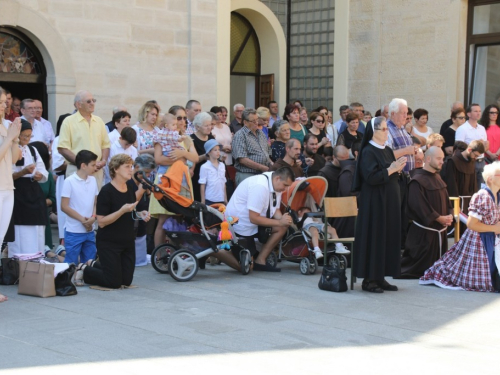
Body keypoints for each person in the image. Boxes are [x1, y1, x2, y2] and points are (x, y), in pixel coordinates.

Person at [420, 162, 500, 292]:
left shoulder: (497, 196)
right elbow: (472, 224)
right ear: (490, 179)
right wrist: (494, 228)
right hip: (480, 241)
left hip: (493, 240)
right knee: (484, 279)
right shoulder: (482, 196)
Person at [77, 154, 150, 288]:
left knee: (126, 281)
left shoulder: (129, 189)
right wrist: (121, 210)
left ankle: (94, 264)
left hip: (127, 241)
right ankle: (83, 269)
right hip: (109, 242)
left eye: (131, 166)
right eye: (127, 166)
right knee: (113, 282)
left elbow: (130, 211)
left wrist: (140, 213)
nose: (131, 170)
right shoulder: (106, 191)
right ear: (116, 169)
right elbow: (102, 221)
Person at [352, 117, 407, 293]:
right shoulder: (368, 151)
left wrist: (398, 169)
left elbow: (392, 173)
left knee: (387, 237)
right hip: (374, 202)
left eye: (386, 129)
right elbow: (371, 177)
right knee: (375, 237)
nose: (387, 132)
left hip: (389, 201)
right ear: (374, 131)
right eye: (383, 129)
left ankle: (381, 276)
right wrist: (392, 169)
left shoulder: (388, 150)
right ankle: (369, 280)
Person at [225, 167, 295, 272]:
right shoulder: (260, 186)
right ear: (277, 178)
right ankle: (215, 251)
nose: (285, 189)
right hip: (240, 225)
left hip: (253, 223)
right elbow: (253, 218)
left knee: (282, 227)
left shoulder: (275, 182)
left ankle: (260, 260)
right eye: (285, 185)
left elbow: (275, 210)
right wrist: (280, 222)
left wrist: (285, 221)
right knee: (246, 267)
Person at [400, 147, 453, 279]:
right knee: (416, 269)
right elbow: (418, 206)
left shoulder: (438, 177)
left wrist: (449, 215)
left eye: (443, 158)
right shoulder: (417, 181)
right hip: (424, 234)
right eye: (439, 158)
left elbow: (447, 201)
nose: (442, 161)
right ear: (428, 159)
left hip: (439, 232)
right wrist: (438, 218)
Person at [150, 105, 199, 247]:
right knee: (163, 219)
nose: (182, 121)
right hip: (166, 179)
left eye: (184, 118)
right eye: (179, 118)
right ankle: (160, 255)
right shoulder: (161, 136)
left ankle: (176, 253)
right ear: (170, 120)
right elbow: (158, 159)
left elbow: (195, 158)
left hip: (182, 180)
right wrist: (180, 160)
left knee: (178, 218)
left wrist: (183, 154)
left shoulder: (186, 138)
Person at [8, 120, 49, 256]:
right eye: (23, 136)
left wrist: (38, 175)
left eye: (29, 136)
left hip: (34, 193)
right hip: (18, 193)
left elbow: (44, 173)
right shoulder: (9, 149)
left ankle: (37, 260)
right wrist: (23, 172)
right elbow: (8, 175)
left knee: (37, 232)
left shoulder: (32, 150)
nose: (26, 139)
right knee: (21, 233)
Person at [58, 90, 110, 189]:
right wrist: (82, 164)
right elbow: (63, 148)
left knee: (95, 202)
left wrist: (103, 161)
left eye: (93, 100)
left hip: (96, 172)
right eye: (88, 101)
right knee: (77, 202)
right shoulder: (68, 121)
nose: (92, 103)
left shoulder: (99, 121)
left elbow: (105, 145)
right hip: (77, 171)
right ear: (78, 104)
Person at [0, 87, 21, 302]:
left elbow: (14, 158)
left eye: (5, 102)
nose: (4, 106)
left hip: (7, 187)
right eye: (1, 102)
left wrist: (15, 139)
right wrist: (10, 137)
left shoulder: (7, 125)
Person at [61, 150, 99, 265]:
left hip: (89, 229)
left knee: (89, 260)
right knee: (71, 261)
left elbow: (95, 202)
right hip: (74, 230)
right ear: (83, 165)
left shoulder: (93, 180)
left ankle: (84, 276)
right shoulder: (69, 181)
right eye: (92, 165)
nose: (95, 167)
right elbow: (64, 206)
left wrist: (93, 217)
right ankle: (69, 279)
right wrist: (83, 220)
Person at [232, 108, 271, 185]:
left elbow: (267, 153)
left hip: (262, 174)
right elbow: (242, 159)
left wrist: (272, 165)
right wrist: (262, 167)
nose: (256, 123)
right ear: (245, 122)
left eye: (257, 120)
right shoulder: (240, 135)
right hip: (247, 174)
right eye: (253, 121)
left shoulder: (261, 133)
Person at [129, 154, 156, 267]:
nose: (147, 175)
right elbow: (130, 202)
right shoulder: (127, 181)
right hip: (130, 222)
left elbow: (150, 199)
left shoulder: (144, 180)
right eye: (145, 172)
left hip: (142, 221)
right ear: (136, 167)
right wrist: (141, 190)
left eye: (149, 173)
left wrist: (148, 192)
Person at [30, 141, 56, 252]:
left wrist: (42, 201)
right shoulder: (27, 175)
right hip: (28, 215)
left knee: (45, 251)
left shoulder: (48, 175)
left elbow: (52, 198)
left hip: (43, 215)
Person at [455, 104, 487, 187]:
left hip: (482, 161)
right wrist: (474, 145)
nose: (478, 113)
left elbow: (485, 145)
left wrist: (483, 145)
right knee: (470, 186)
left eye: (479, 111)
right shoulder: (462, 129)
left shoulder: (482, 128)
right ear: (469, 114)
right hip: (469, 161)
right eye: (475, 111)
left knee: (481, 187)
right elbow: (458, 146)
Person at [190, 112, 215, 202]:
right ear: (197, 127)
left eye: (210, 124)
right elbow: (191, 160)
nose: (209, 127)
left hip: (211, 177)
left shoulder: (211, 137)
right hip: (198, 176)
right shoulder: (191, 139)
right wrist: (204, 156)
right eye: (206, 125)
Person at [199, 139, 227, 205]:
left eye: (218, 150)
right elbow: (202, 184)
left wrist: (225, 199)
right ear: (209, 152)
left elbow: (223, 183)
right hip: (210, 199)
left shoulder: (222, 165)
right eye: (215, 150)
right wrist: (203, 201)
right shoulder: (204, 167)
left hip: (221, 198)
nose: (218, 152)